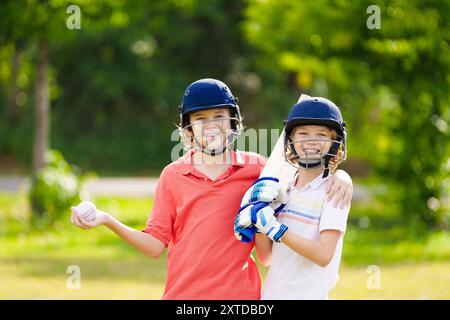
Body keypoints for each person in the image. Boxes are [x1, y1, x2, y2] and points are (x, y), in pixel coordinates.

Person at [70, 79, 353, 299]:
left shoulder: (259, 170)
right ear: (189, 130)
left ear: (234, 122)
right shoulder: (173, 175)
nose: (211, 126)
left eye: (219, 116)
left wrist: (342, 177)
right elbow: (155, 247)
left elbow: (309, 171)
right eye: (201, 119)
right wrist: (107, 219)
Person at [235, 96, 351, 300]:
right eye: (303, 133)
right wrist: (259, 220)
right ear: (291, 141)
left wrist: (277, 230)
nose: (311, 140)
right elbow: (266, 258)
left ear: (335, 142)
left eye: (321, 134)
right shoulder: (281, 191)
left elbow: (324, 255)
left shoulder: (334, 191)